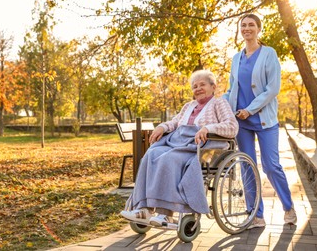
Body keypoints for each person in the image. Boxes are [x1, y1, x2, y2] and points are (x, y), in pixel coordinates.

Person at [121, 69, 239, 226]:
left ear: (213, 86)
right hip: (179, 142)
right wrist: (162, 127)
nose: (198, 89)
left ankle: (165, 214)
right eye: (195, 86)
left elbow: (232, 126)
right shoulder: (189, 105)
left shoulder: (219, 103)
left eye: (202, 84)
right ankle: (144, 208)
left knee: (169, 159)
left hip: (203, 146)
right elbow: (175, 122)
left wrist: (208, 128)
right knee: (151, 154)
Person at [223, 13, 297, 228]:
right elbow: (231, 89)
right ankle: (256, 215)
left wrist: (250, 109)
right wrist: (221, 104)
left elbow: (272, 89)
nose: (247, 28)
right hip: (242, 122)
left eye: (251, 25)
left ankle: (288, 207)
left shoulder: (269, 54)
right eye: (243, 25)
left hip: (265, 120)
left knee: (271, 166)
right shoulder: (236, 58)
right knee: (248, 166)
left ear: (258, 29)